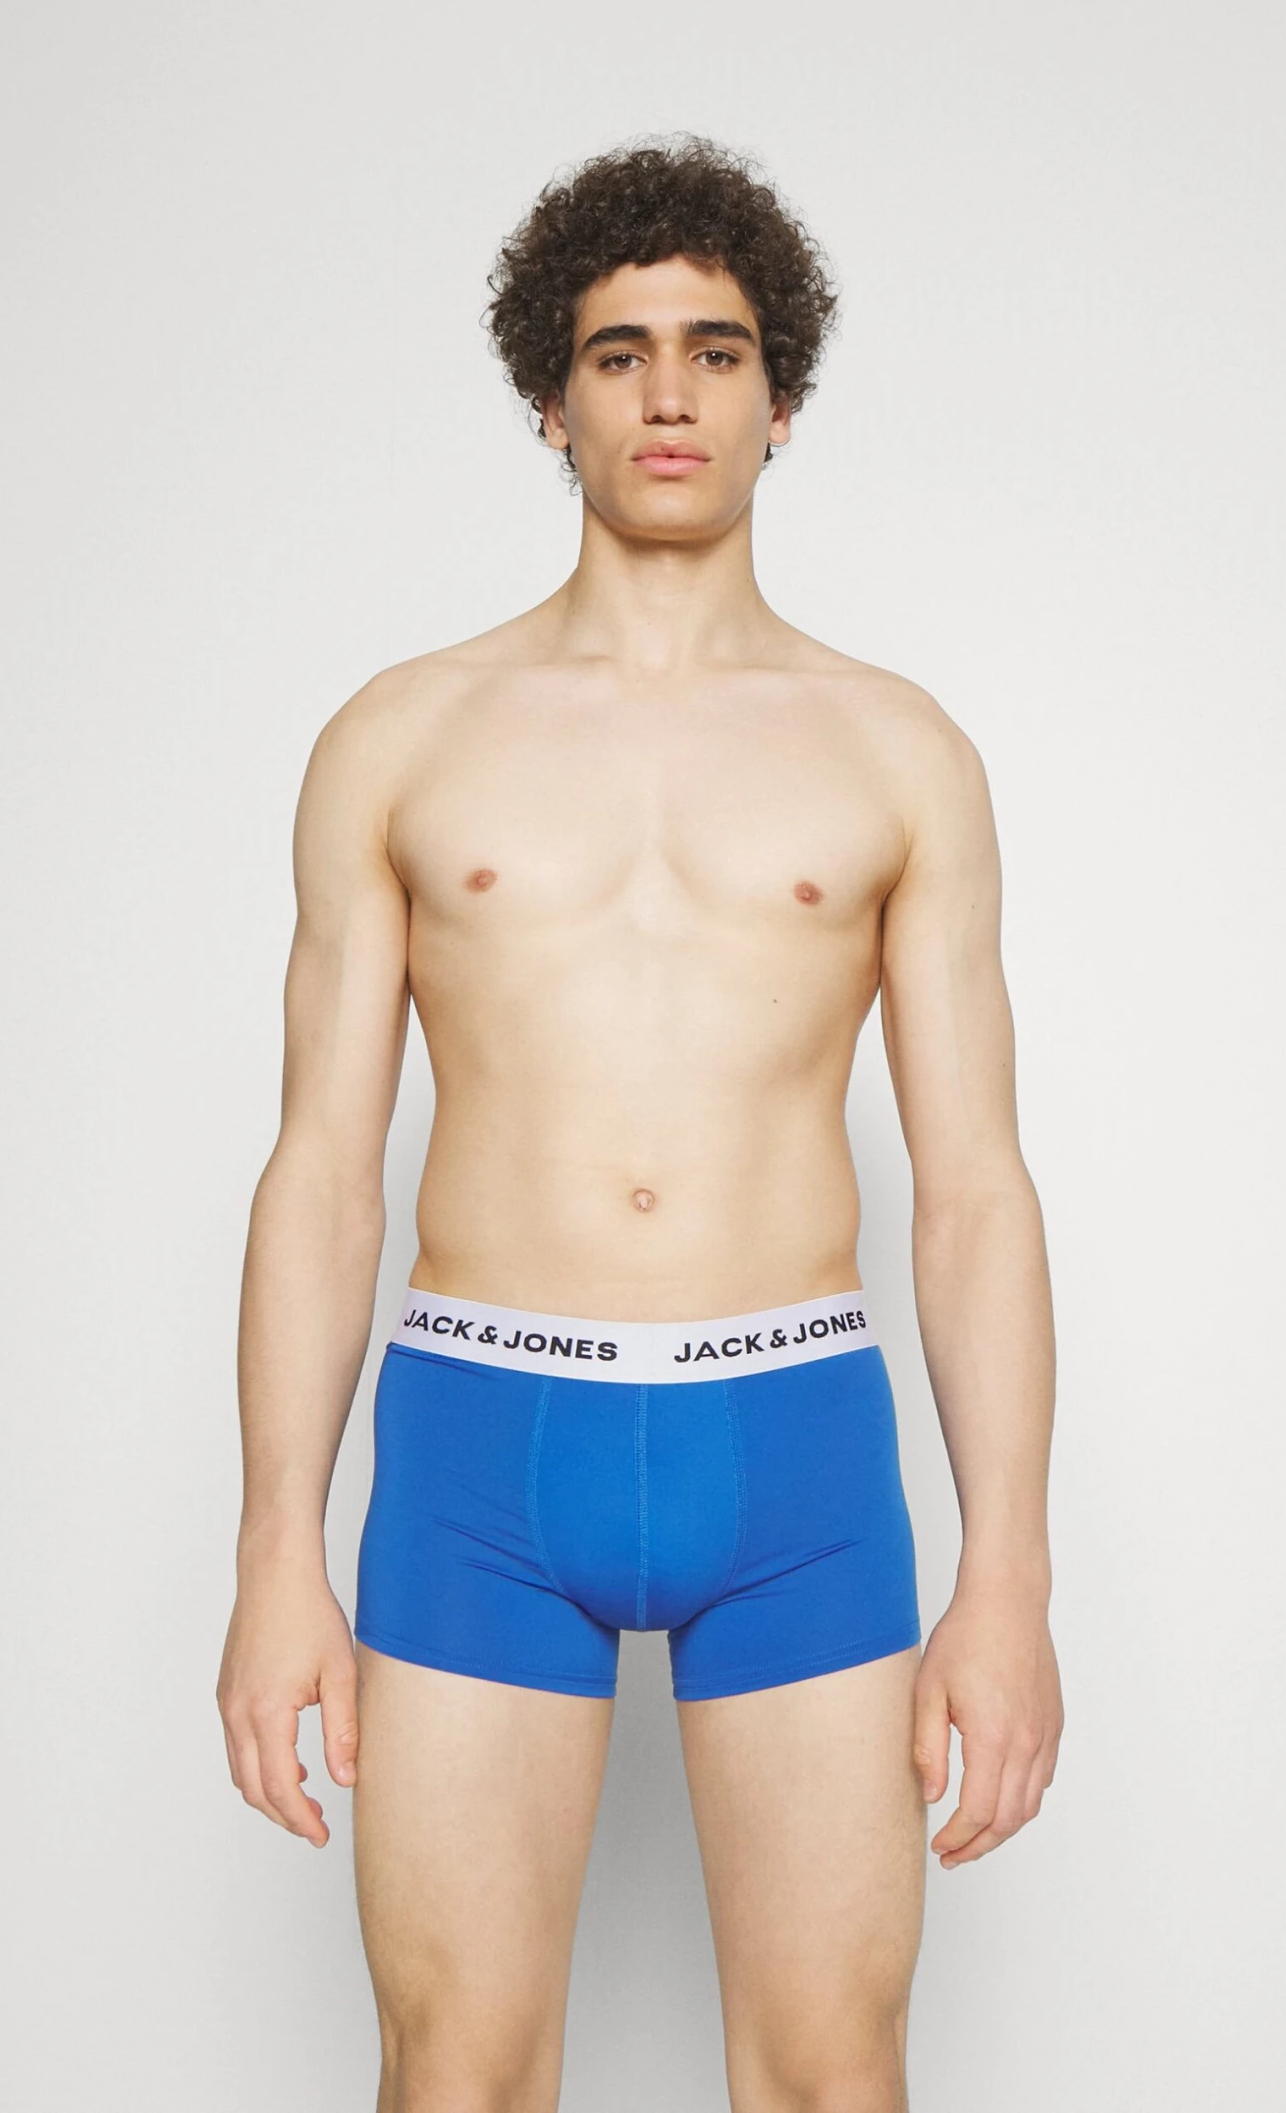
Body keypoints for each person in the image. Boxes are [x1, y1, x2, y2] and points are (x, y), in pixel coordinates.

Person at [216, 133, 1062, 2112]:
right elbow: (321, 1176)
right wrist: (274, 1550)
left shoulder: (899, 751)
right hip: (482, 1449)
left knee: (834, 2076)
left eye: (717, 351)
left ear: (782, 400)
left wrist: (1009, 1575)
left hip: (798, 1448)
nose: (670, 394)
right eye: (620, 355)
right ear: (552, 397)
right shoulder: (403, 736)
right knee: (459, 2072)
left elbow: (973, 1191)